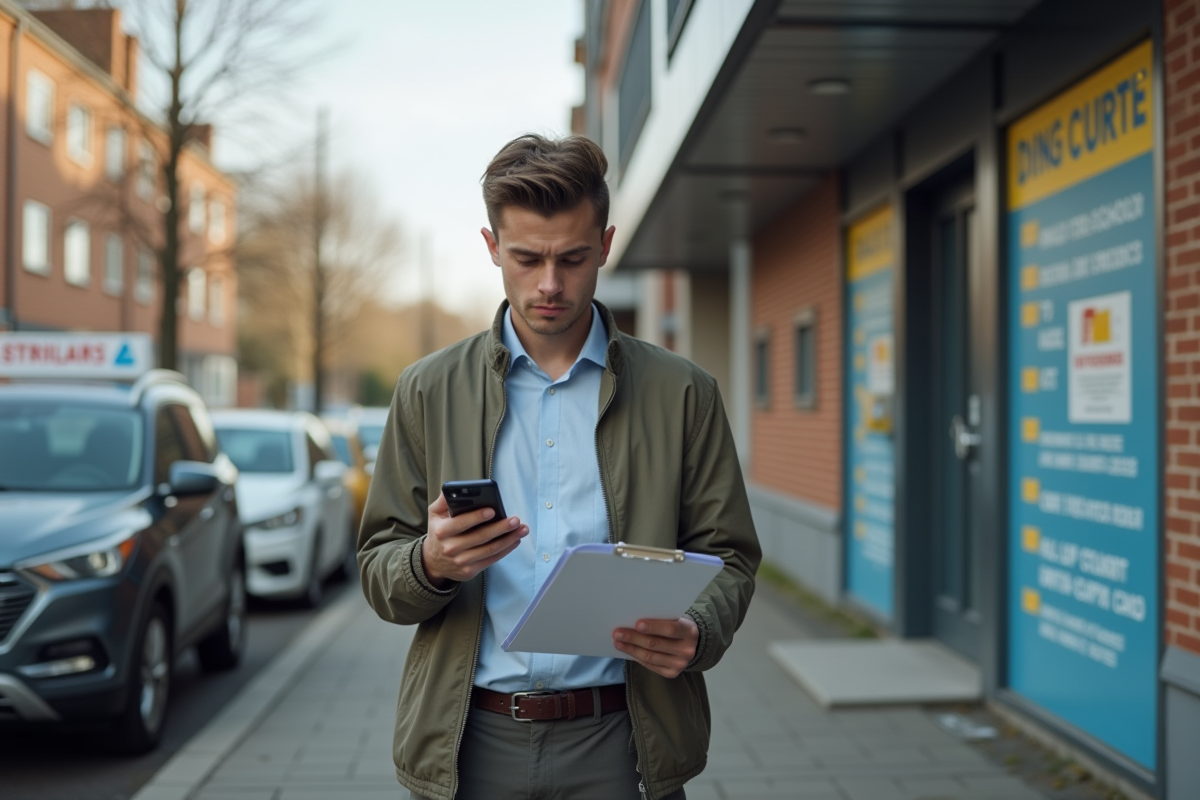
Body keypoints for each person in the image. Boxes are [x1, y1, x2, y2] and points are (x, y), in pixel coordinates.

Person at [358, 134, 760, 800]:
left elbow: (730, 556)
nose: (549, 284)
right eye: (526, 258)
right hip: (467, 743)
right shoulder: (426, 390)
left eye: (573, 259)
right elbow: (378, 568)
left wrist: (700, 628)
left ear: (605, 245)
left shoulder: (683, 392)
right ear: (492, 248)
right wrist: (429, 563)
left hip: (626, 740)